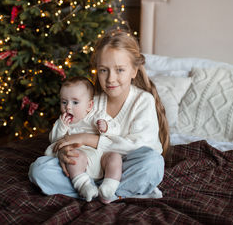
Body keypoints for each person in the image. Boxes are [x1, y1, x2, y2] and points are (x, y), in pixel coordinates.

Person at [29, 30, 170, 203]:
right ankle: (104, 192)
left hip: (123, 169)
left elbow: (139, 147)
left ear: (134, 71)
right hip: (86, 168)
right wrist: (64, 152)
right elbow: (65, 137)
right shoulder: (90, 102)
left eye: (120, 70)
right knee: (39, 170)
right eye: (104, 70)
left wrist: (88, 138)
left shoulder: (142, 101)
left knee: (153, 163)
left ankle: (106, 190)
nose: (111, 78)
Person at [44, 76, 122, 202]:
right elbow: (54, 141)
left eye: (75, 102)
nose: (68, 107)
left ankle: (108, 188)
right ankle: (84, 186)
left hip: (101, 159)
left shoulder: (97, 116)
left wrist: (106, 127)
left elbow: (117, 130)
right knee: (74, 157)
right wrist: (62, 127)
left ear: (89, 105)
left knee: (115, 157)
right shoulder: (63, 122)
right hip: (80, 162)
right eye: (64, 102)